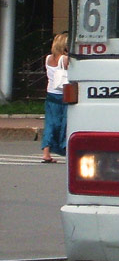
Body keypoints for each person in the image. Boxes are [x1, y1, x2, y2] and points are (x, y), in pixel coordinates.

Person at [41, 33, 69, 163]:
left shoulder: (47, 59)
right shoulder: (65, 59)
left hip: (51, 93)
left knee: (50, 123)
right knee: (65, 122)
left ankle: (46, 152)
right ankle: (65, 148)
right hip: (64, 93)